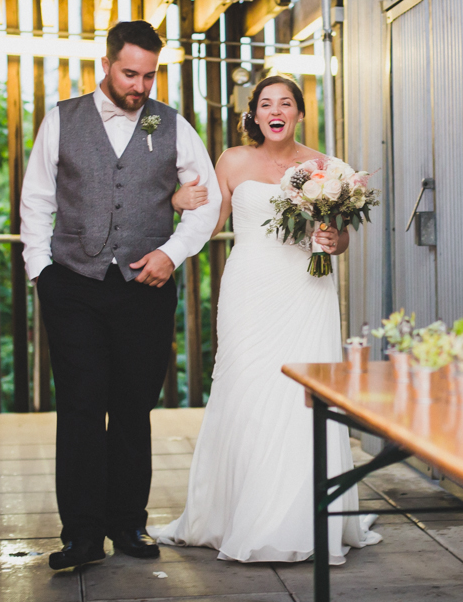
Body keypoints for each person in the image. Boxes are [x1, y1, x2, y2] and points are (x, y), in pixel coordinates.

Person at [20, 20, 222, 571]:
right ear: (106, 65)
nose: (139, 85)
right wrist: (42, 271)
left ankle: (128, 521)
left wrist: (172, 254)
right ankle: (81, 534)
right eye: (130, 73)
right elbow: (36, 198)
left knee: (134, 406)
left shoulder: (170, 124)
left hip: (145, 288)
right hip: (74, 287)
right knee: (81, 407)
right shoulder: (62, 119)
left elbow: (208, 199)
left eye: (149, 75)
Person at [156, 75, 382, 563]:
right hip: (250, 289)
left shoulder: (327, 166)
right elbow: (208, 220)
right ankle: (240, 513)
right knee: (249, 390)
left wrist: (332, 242)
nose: (275, 110)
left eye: (285, 103)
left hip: (308, 289)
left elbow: (340, 237)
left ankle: (303, 516)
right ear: (254, 115)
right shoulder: (233, 161)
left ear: (299, 112)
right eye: (265, 104)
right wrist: (176, 203)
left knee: (305, 398)